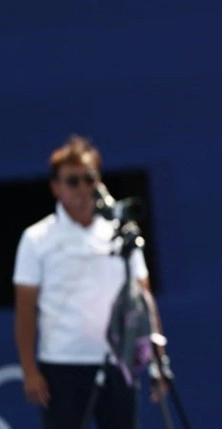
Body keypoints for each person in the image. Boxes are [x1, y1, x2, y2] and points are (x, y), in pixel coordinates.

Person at [13, 134, 167, 429]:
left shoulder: (122, 232)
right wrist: (30, 371)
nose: (83, 188)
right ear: (56, 187)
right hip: (61, 368)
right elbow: (25, 310)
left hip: (118, 364)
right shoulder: (36, 238)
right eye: (73, 181)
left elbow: (143, 300)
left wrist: (160, 362)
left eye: (90, 178)